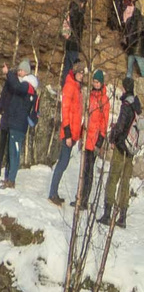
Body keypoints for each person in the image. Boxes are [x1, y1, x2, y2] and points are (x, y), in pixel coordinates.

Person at [0, 59, 41, 188]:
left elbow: (16, 86)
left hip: (18, 125)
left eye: (20, 71)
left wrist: (8, 73)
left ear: (25, 72)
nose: (18, 73)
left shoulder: (27, 86)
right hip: (15, 124)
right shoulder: (27, 86)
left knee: (14, 153)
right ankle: (10, 178)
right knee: (12, 152)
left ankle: (11, 180)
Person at [49, 57, 87, 205]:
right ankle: (52, 193)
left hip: (74, 133)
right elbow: (65, 112)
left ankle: (54, 192)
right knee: (62, 163)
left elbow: (78, 113)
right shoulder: (70, 87)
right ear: (75, 72)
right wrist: (69, 134)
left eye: (83, 74)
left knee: (64, 163)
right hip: (68, 133)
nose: (82, 76)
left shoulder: (77, 88)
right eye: (80, 73)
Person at [106, 79, 140, 229]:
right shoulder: (137, 106)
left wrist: (112, 137)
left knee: (113, 178)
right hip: (131, 149)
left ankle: (107, 214)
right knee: (125, 182)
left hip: (121, 147)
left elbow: (120, 125)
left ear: (124, 88)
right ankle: (123, 217)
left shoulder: (126, 105)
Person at [78, 70, 113, 208]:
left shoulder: (104, 100)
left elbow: (104, 122)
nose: (95, 83)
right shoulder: (91, 96)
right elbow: (86, 117)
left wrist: (101, 139)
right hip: (87, 136)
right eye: (94, 81)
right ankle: (80, 197)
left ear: (101, 83)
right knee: (83, 169)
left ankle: (85, 200)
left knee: (88, 171)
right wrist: (82, 133)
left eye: (97, 82)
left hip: (94, 139)